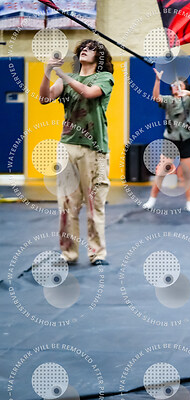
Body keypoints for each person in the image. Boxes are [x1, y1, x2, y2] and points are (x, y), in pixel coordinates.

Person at [39, 39, 114, 266]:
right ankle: (68, 254)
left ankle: (97, 253)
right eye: (83, 48)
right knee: (67, 205)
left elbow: (88, 93)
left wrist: (63, 75)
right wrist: (48, 72)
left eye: (91, 49)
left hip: (94, 149)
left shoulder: (104, 78)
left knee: (94, 205)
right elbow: (44, 98)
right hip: (67, 147)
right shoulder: (65, 80)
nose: (84, 50)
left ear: (99, 57)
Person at [142, 69, 190, 212]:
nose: (176, 87)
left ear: (185, 87)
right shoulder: (169, 100)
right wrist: (158, 80)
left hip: (187, 139)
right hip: (171, 140)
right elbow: (156, 97)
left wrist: (187, 93)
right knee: (162, 171)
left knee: (187, 174)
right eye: (174, 85)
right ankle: (151, 200)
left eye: (180, 85)